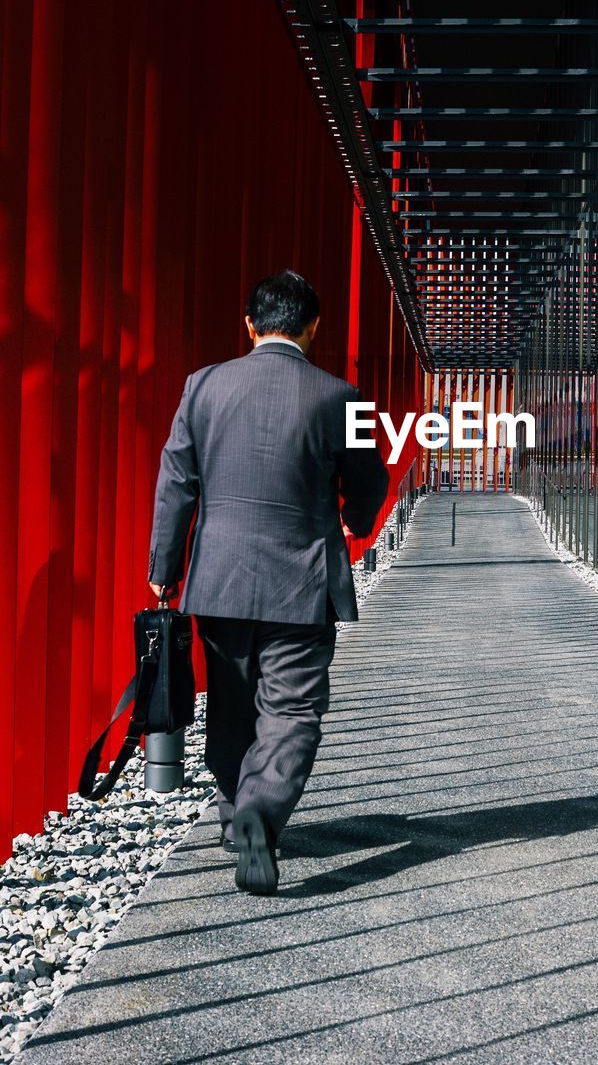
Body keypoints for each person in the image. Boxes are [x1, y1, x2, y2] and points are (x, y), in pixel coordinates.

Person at [147, 270, 388, 895]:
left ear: (250, 326)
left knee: (230, 704)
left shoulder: (201, 387)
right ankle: (261, 809)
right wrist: (356, 523)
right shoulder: (346, 397)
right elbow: (369, 483)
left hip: (218, 580)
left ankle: (235, 819)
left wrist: (162, 570)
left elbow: (176, 482)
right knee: (294, 708)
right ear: (313, 328)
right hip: (301, 582)